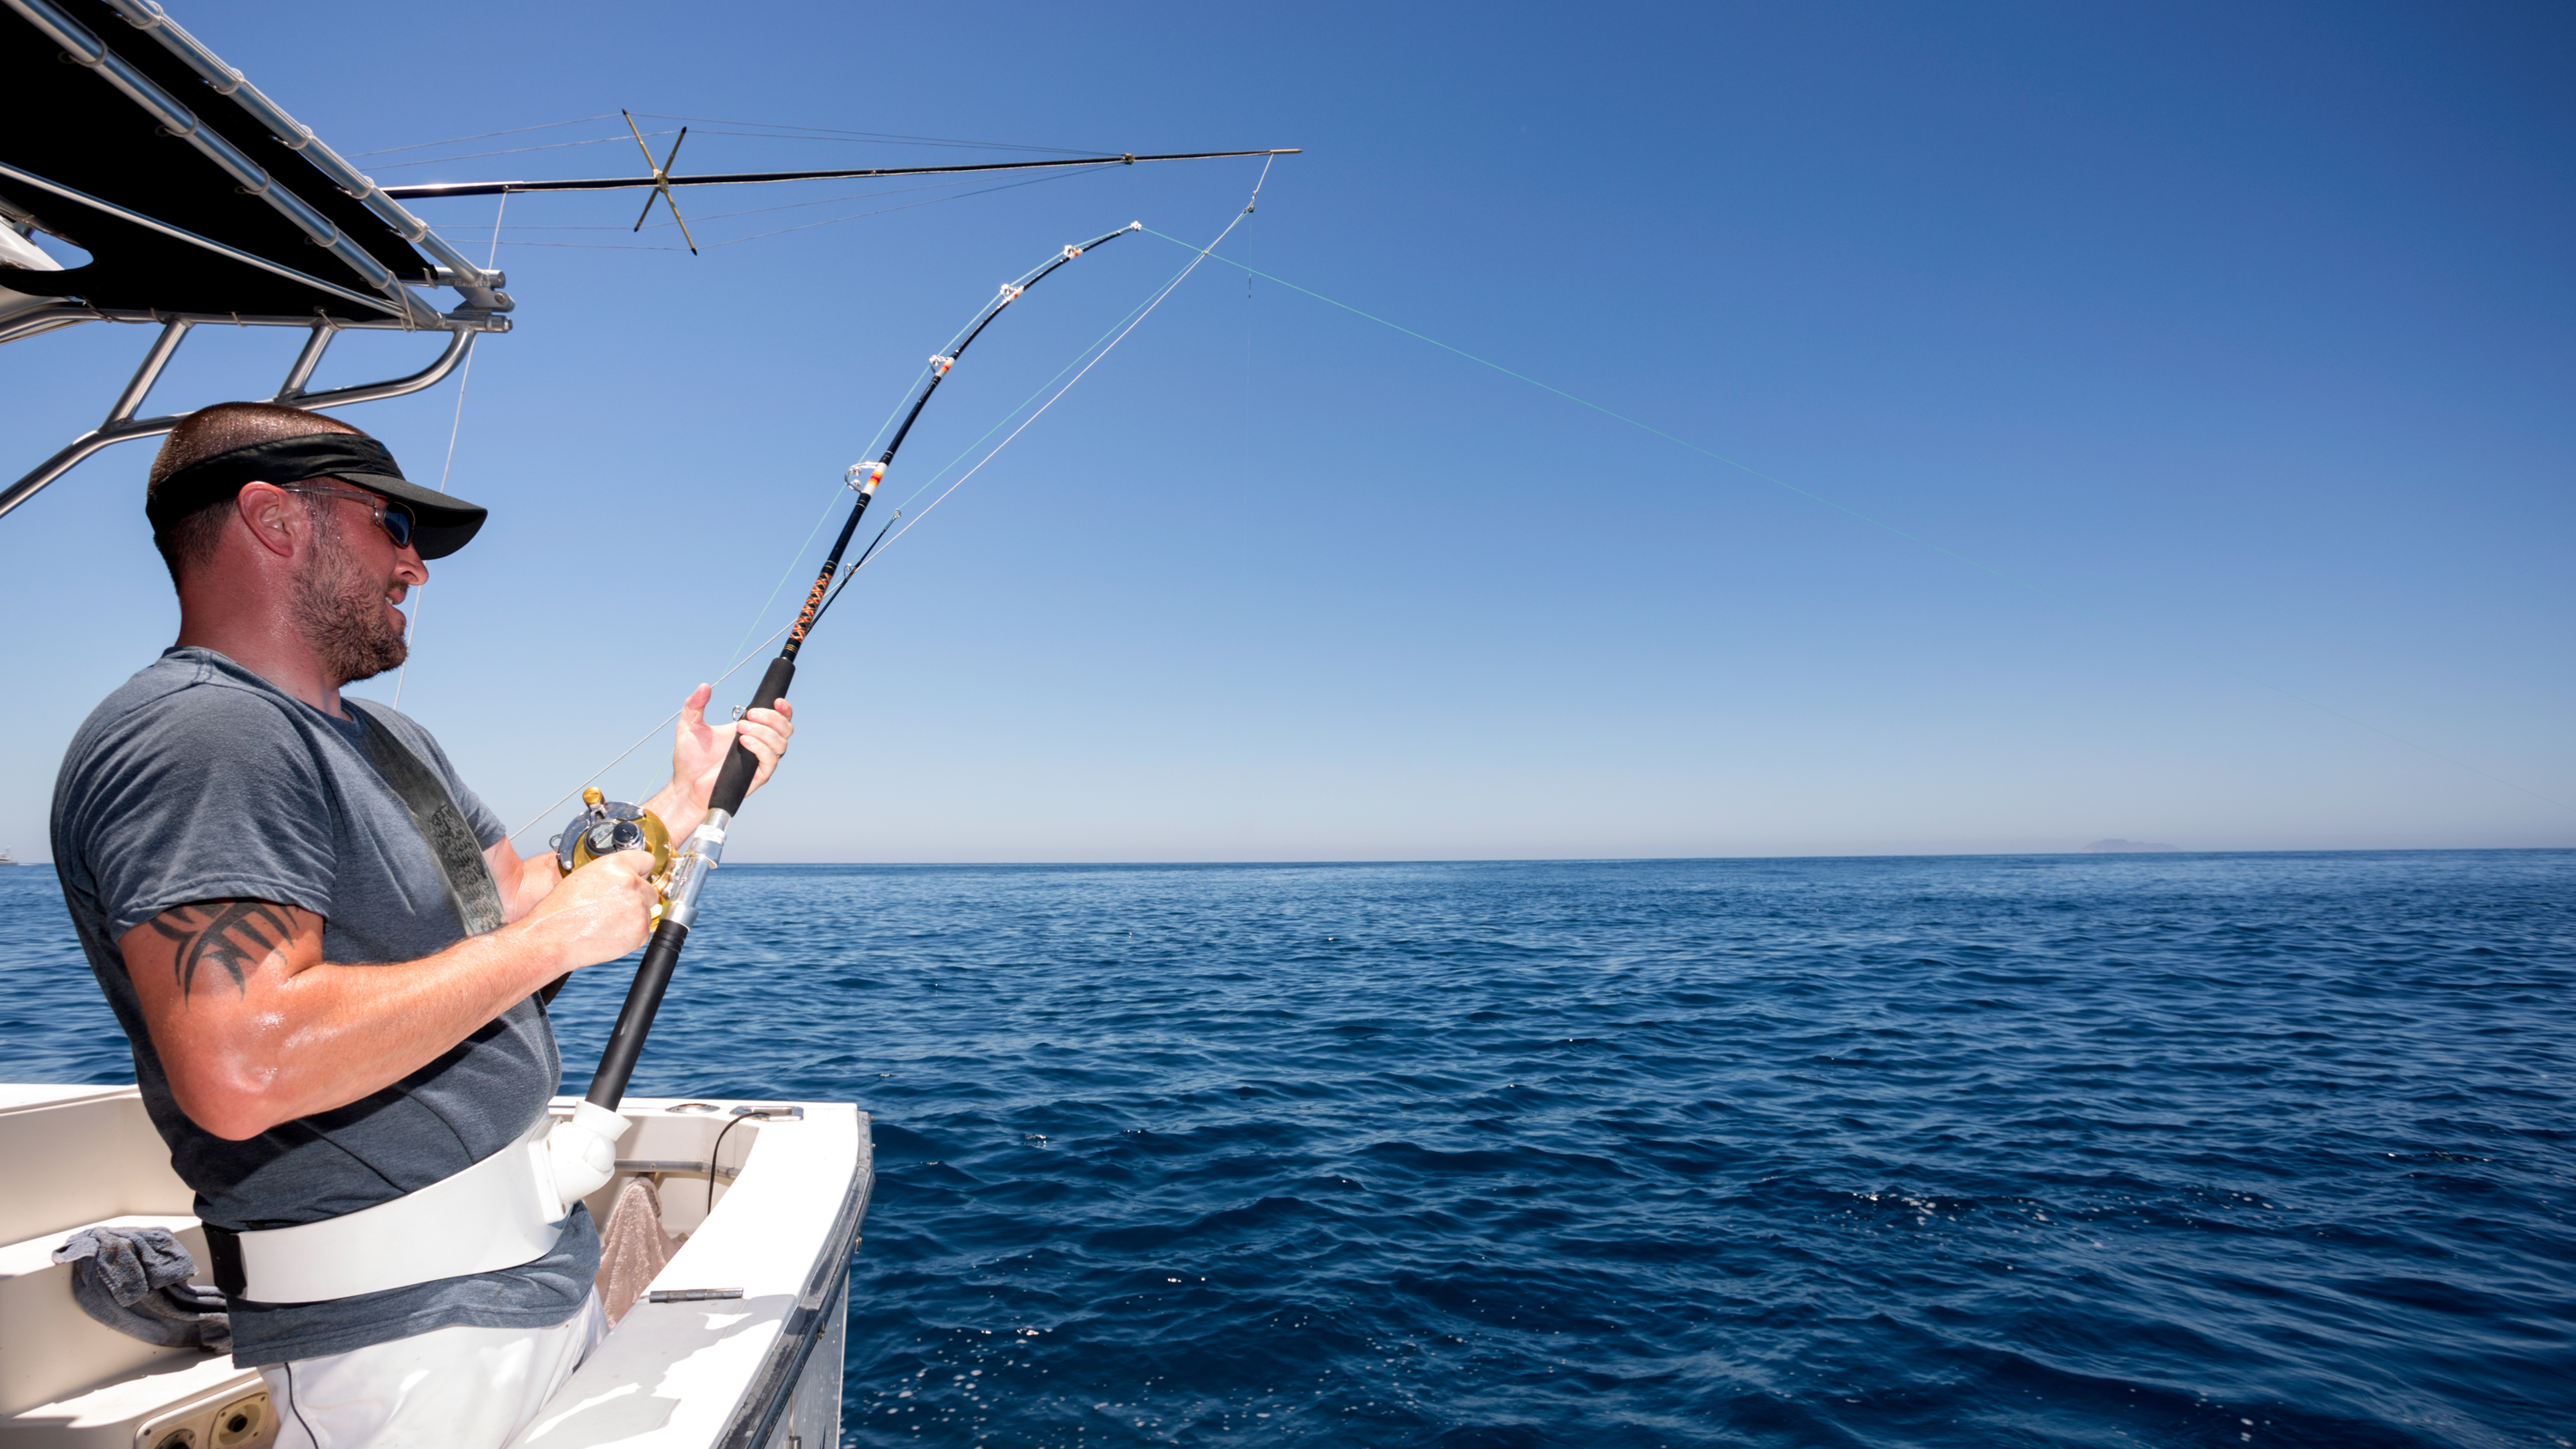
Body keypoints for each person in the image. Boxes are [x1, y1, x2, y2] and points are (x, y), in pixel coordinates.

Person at [48, 401, 793, 1449]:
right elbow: (241, 1062)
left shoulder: (385, 737)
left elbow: (517, 902)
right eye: (390, 527)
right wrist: (547, 943)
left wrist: (683, 800)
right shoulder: (202, 734)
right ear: (274, 518)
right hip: (402, 1346)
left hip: (522, 1282)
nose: (416, 567)